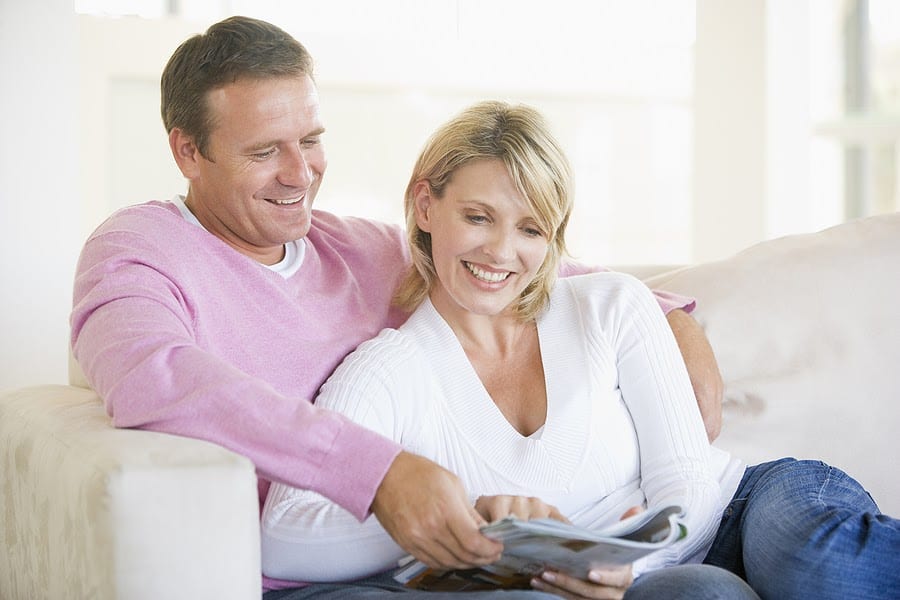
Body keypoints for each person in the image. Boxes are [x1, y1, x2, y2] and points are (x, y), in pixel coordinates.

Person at [70, 15, 721, 595]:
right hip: (303, 575)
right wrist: (376, 473)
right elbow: (154, 377)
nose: (300, 174)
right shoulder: (138, 248)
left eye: (311, 139)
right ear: (188, 151)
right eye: (265, 152)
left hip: (429, 562)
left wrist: (669, 314)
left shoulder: (352, 248)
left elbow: (519, 254)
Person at [260, 100, 900, 599]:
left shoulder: (610, 307)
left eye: (530, 228)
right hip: (638, 585)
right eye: (478, 217)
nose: (500, 253)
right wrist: (453, 521)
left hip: (739, 509)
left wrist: (632, 564)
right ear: (426, 205)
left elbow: (688, 476)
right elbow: (283, 538)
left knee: (811, 564)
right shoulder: (388, 371)